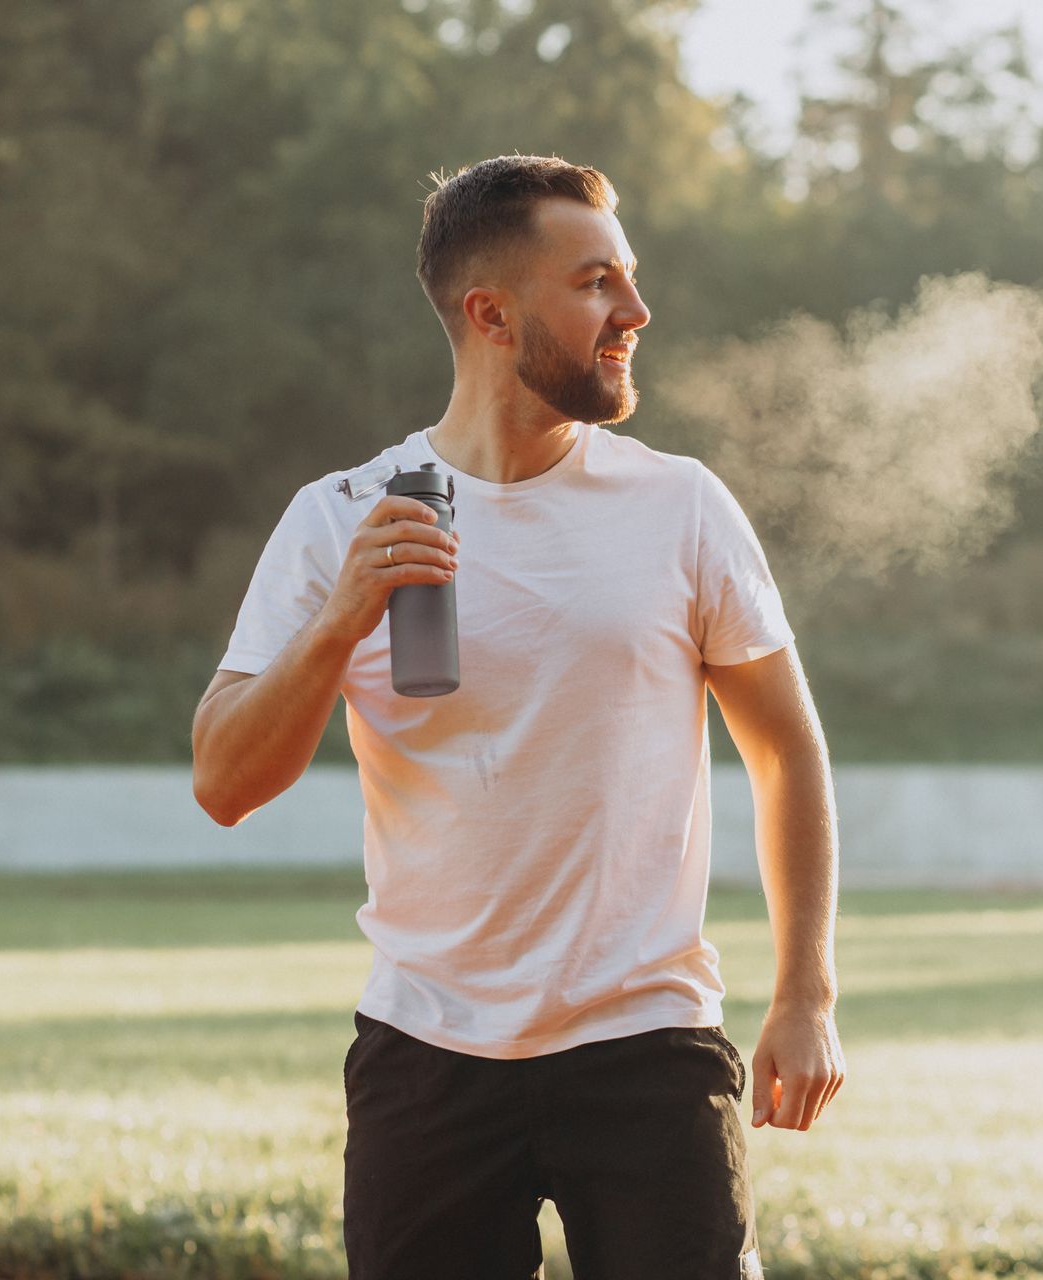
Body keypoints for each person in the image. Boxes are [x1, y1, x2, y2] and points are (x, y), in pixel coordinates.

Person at [190, 154, 844, 1280]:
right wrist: (342, 618)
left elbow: (785, 747)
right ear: (491, 313)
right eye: (597, 283)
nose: (636, 311)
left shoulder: (680, 504)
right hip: (427, 1056)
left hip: (648, 1041)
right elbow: (225, 781)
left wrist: (806, 991)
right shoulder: (337, 517)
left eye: (627, 279)